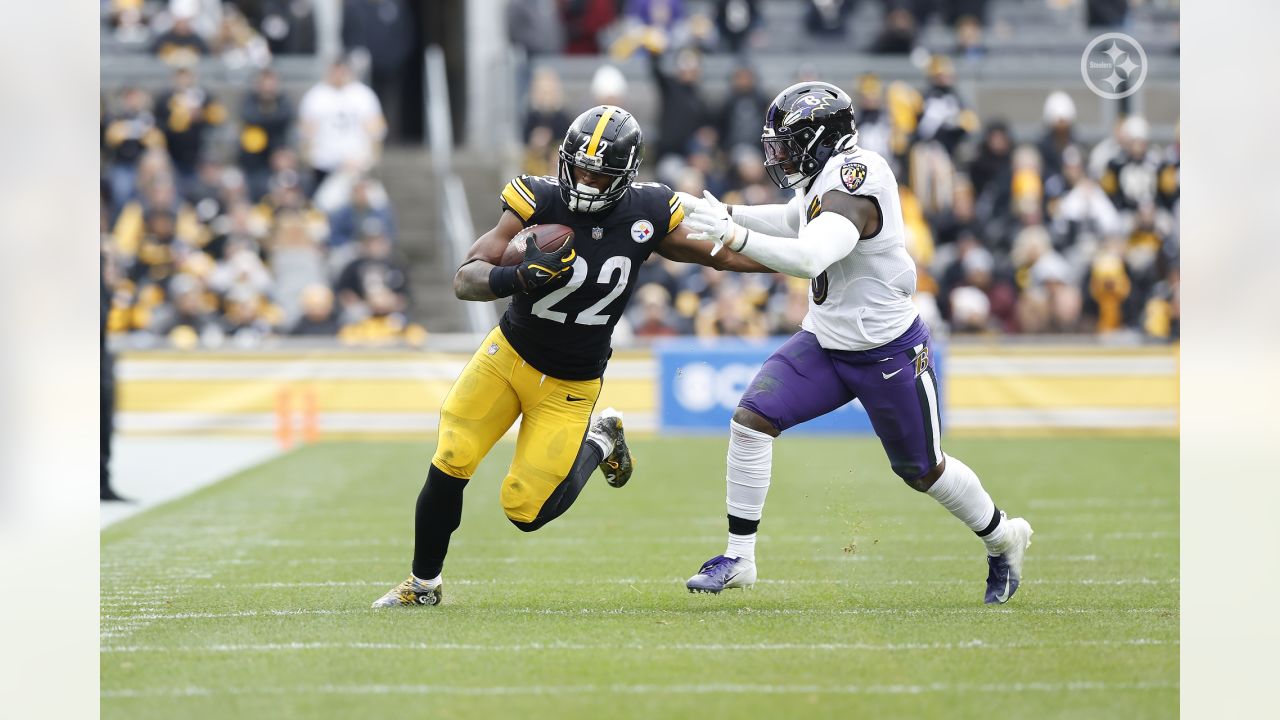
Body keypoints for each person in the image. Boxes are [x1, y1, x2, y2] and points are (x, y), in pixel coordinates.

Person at [372, 105, 770, 607]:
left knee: (525, 510)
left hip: (571, 383)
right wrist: (515, 277)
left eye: (598, 173)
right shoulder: (535, 199)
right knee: (452, 456)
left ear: (625, 176)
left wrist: (799, 263)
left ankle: (601, 441)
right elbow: (465, 278)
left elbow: (725, 253)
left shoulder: (647, 212)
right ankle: (423, 584)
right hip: (507, 357)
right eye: (578, 166)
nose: (583, 179)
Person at [678, 82, 1034, 604]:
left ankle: (1004, 537)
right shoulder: (824, 178)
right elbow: (795, 219)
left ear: (821, 139)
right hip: (825, 340)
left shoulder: (856, 179)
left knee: (923, 470)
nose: (778, 154)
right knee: (752, 419)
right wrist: (728, 213)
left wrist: (731, 234)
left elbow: (807, 257)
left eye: (787, 142)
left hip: (886, 349)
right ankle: (739, 558)